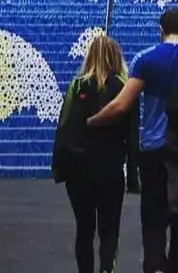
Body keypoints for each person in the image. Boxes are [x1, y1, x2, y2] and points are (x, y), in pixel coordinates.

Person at [87, 8, 178, 273]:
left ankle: (154, 264)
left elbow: (120, 105)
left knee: (153, 219)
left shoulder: (146, 60)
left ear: (161, 31)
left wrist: (92, 121)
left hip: (154, 153)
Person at [52, 35, 134, 273]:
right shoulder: (124, 87)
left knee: (84, 230)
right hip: (110, 168)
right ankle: (107, 268)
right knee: (109, 229)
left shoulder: (77, 85)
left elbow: (64, 125)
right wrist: (134, 174)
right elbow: (132, 133)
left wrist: (60, 166)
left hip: (79, 169)